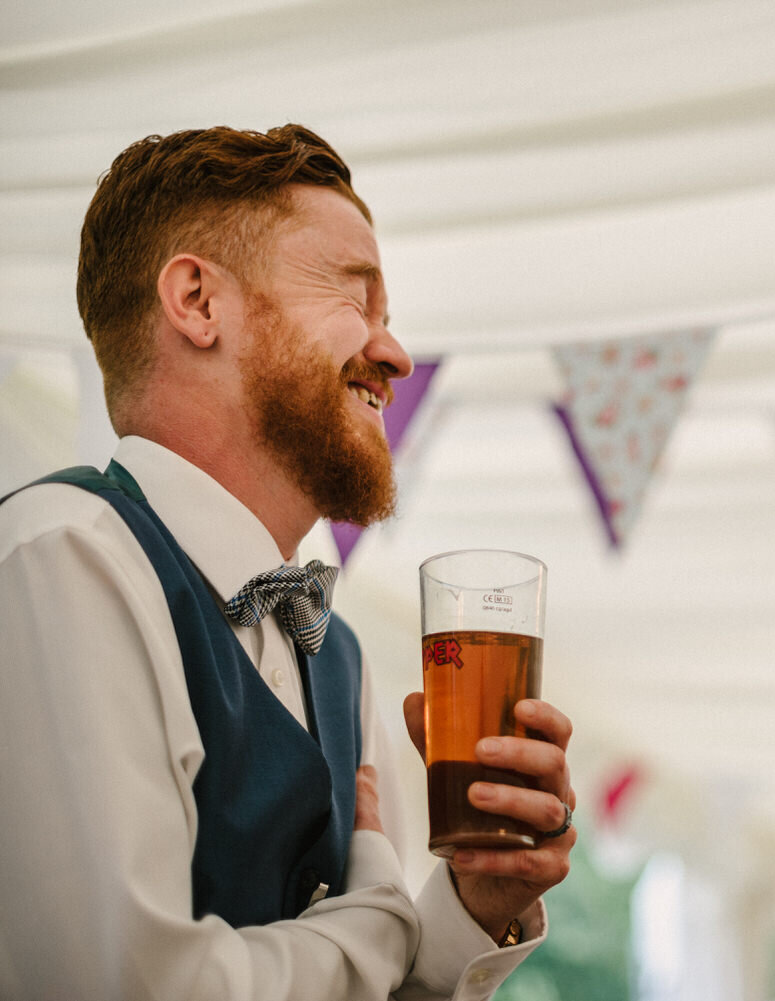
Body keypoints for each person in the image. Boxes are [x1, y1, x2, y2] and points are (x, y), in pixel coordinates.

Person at [0, 124, 576, 999]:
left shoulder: (338, 655)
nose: (396, 354)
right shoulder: (64, 557)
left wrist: (473, 902)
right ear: (198, 302)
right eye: (355, 295)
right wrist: (380, 916)